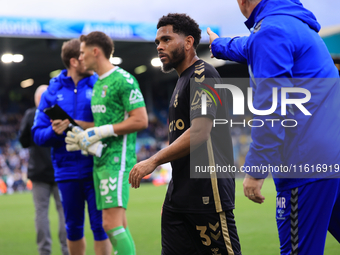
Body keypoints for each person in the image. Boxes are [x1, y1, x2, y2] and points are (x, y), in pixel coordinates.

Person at [208, 0, 340, 254]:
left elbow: (273, 106)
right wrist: (218, 45)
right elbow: (249, 46)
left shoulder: (269, 31)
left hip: (304, 164)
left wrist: (256, 170)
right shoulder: (294, 25)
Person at [128, 13, 241, 255]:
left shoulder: (204, 75)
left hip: (207, 195)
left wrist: (153, 160)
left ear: (188, 42)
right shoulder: (181, 81)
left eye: (166, 39)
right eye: (157, 42)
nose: (159, 46)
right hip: (179, 199)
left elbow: (200, 132)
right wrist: (173, 194)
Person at [66, 31, 148, 255]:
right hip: (100, 160)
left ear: (95, 51)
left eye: (82, 53)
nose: (80, 57)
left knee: (110, 225)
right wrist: (79, 132)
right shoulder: (99, 83)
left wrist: (101, 131)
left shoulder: (123, 79)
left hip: (117, 160)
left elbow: (141, 120)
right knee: (117, 224)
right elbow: (100, 122)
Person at [31, 39, 112, 255]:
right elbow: (37, 135)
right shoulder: (51, 92)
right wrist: (54, 131)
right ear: (75, 61)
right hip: (66, 171)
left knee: (101, 226)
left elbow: (114, 124)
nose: (90, 58)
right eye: (85, 55)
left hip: (97, 168)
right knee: (73, 228)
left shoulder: (99, 85)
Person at [19, 85, 69, 255]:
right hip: (59, 168)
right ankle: (66, 248)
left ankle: (44, 251)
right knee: (64, 211)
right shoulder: (61, 112)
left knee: (41, 212)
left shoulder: (31, 114)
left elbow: (23, 141)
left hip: (38, 171)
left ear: (36, 99)